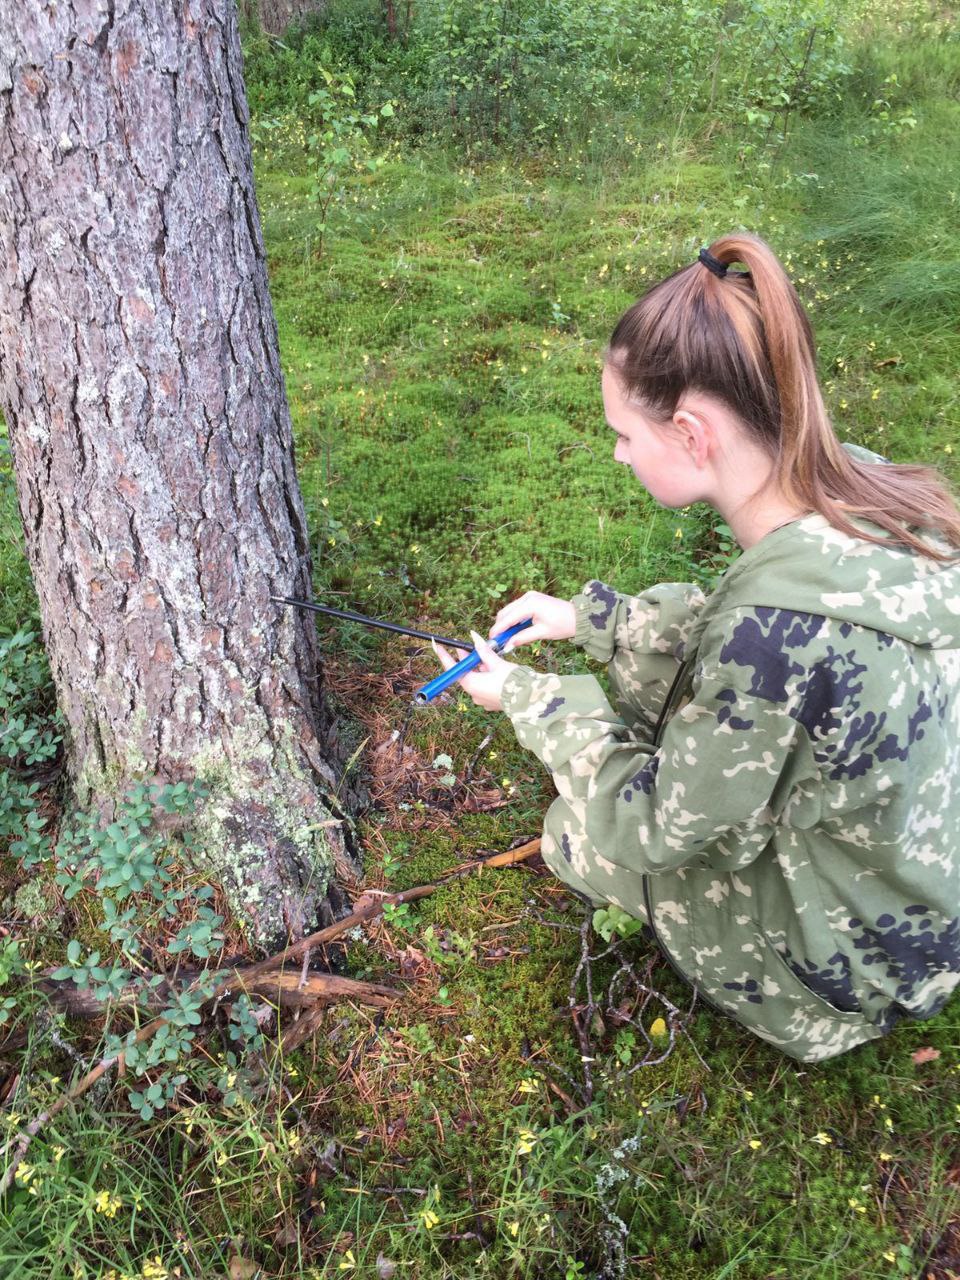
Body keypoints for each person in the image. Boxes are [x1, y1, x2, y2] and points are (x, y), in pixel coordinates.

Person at [434, 233, 960, 1063]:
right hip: (923, 899)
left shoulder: (773, 639)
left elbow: (651, 828)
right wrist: (594, 621)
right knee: (668, 705)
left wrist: (533, 701)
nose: (617, 453)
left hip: (852, 967)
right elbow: (738, 645)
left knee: (574, 833)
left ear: (691, 433)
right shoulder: (868, 492)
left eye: (624, 433)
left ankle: (817, 1014)